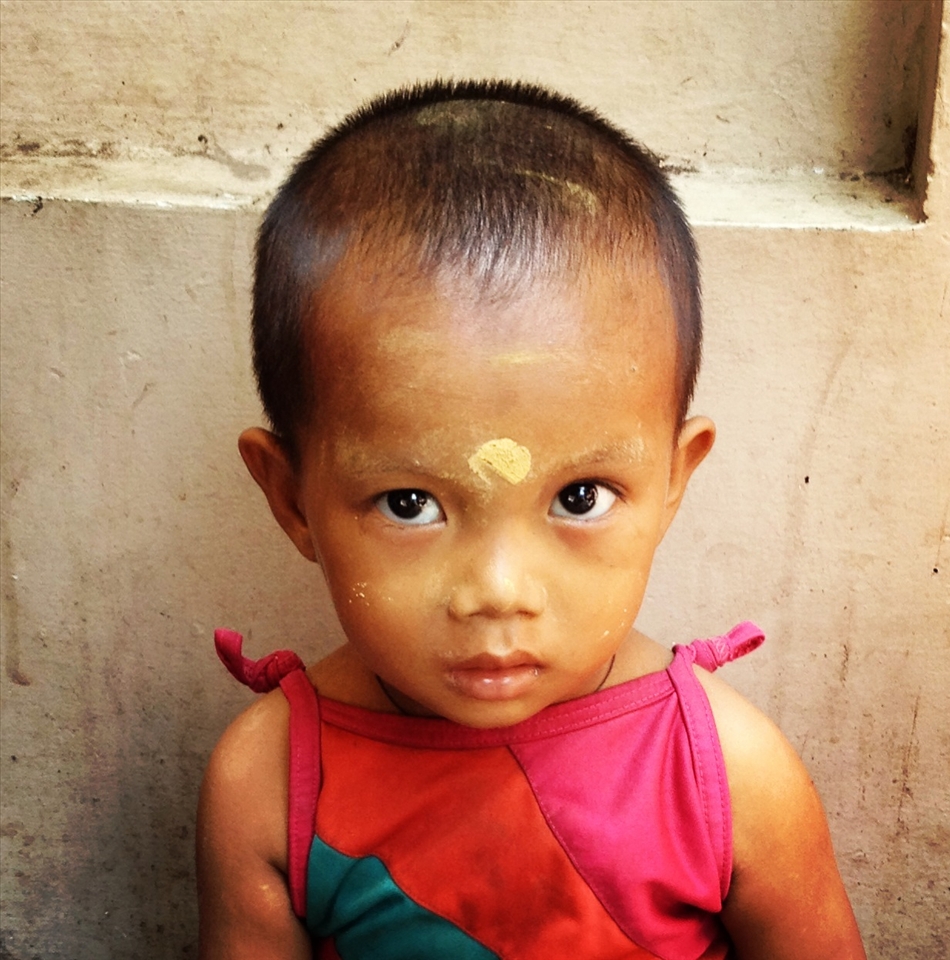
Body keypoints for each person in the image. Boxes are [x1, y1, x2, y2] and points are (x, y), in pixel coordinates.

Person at [196, 80, 866, 960]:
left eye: (578, 497)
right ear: (291, 500)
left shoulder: (725, 777)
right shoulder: (270, 784)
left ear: (674, 479)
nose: (497, 592)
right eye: (410, 504)